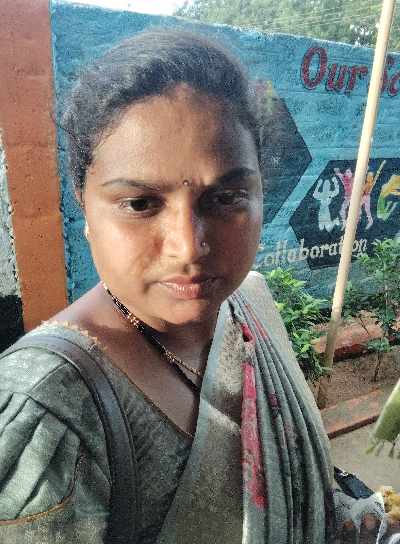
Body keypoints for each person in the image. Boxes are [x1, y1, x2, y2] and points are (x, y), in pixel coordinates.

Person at [0, 28, 395, 543]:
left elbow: (308, 498)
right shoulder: (49, 415)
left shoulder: (248, 305)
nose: (189, 247)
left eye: (227, 197)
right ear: (84, 205)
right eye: (140, 203)